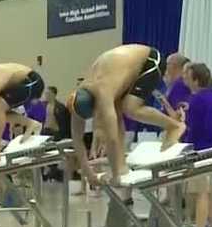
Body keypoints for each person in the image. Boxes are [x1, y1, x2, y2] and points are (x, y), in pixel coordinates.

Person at [69, 44, 187, 186]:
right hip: (120, 67)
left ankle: (174, 126)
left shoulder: (103, 93)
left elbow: (112, 139)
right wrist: (89, 173)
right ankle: (121, 167)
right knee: (118, 112)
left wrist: (115, 176)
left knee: (129, 107)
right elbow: (76, 139)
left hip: (149, 60)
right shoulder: (76, 98)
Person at [182, 64, 212, 227]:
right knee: (211, 191)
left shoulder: (197, 99)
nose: (185, 79)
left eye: (187, 76)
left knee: (201, 193)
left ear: (196, 80)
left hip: (200, 149)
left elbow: (193, 127)